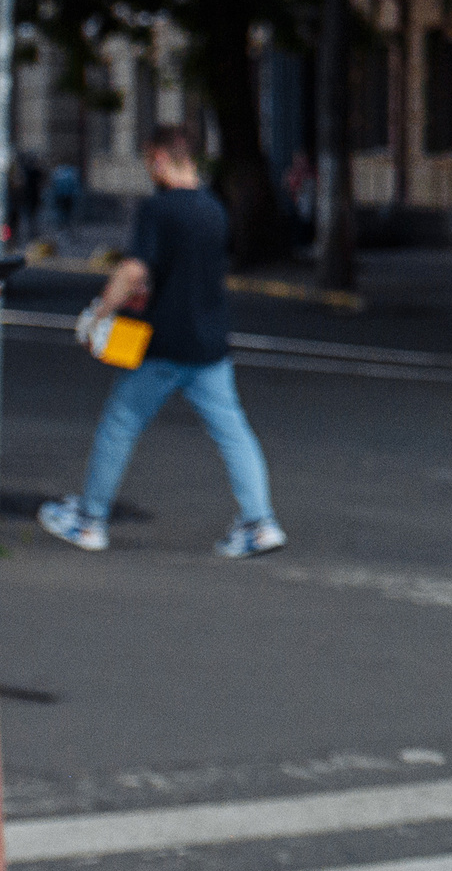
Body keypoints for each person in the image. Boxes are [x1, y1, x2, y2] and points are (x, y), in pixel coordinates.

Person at [38, 124, 286, 558]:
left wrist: (99, 311)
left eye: (147, 159)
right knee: (233, 432)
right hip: (210, 344)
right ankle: (259, 523)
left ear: (159, 159)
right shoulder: (213, 209)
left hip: (164, 344)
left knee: (119, 425)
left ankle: (89, 521)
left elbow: (135, 269)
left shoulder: (159, 209)